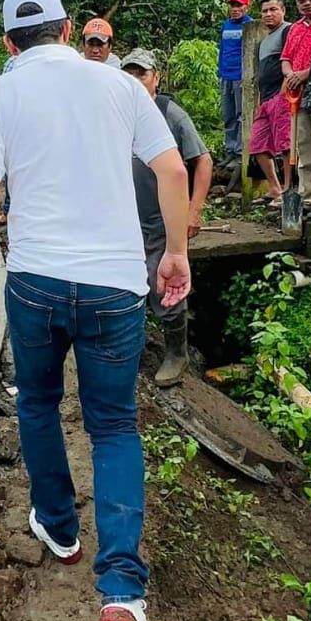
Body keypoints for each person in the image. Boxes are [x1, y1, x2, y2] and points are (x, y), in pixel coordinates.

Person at [0, 0, 191, 621]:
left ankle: (59, 528)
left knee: (36, 402)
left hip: (34, 282)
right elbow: (171, 168)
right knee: (114, 426)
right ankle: (122, 589)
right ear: (67, 31)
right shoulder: (120, 86)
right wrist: (175, 251)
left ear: (8, 44)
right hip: (114, 287)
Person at [121, 49, 212, 386]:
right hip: (125, 219)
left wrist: (194, 209)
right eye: (129, 75)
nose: (135, 81)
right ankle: (131, 348)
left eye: (141, 74)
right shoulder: (116, 112)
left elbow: (203, 160)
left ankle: (177, 352)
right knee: (125, 283)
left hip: (162, 220)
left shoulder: (169, 113)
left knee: (164, 283)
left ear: (156, 78)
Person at [281, 0, 311, 207]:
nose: (307, 3)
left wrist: (305, 74)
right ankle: (310, 196)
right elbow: (286, 59)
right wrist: (291, 75)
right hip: (298, 96)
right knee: (305, 146)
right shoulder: (295, 28)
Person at [247, 0, 292, 203]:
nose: (268, 14)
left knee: (285, 144)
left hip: (281, 96)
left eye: (273, 9)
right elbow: (260, 74)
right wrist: (259, 101)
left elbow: (292, 61)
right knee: (258, 145)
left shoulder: (288, 31)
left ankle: (288, 189)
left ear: (283, 11)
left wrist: (283, 93)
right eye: (264, 11)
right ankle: (275, 187)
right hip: (265, 100)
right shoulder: (263, 42)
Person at [218, 0, 252, 159]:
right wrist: (220, 71)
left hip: (241, 76)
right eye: (233, 5)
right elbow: (222, 49)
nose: (235, 9)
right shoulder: (226, 25)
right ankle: (229, 150)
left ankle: (240, 151)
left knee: (241, 115)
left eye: (239, 5)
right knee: (228, 114)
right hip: (226, 75)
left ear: (247, 7)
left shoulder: (250, 25)